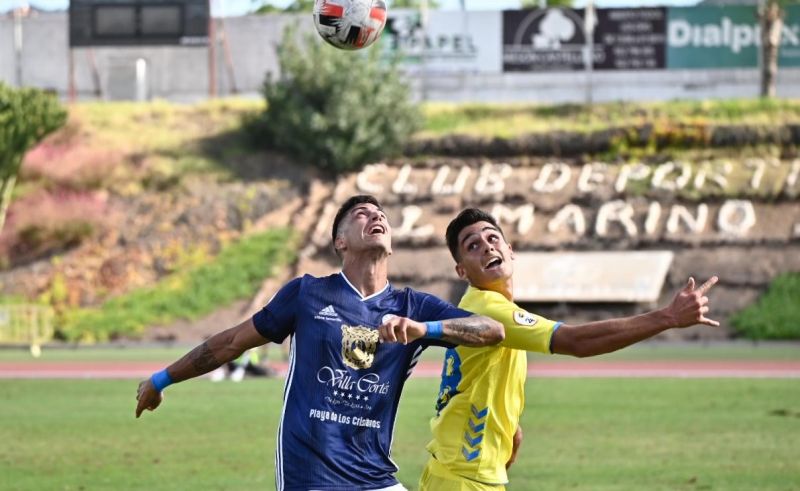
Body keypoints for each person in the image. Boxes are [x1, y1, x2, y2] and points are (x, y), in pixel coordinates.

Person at [135, 195, 504, 491]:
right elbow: (231, 342)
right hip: (310, 476)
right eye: (362, 213)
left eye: (381, 215)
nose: (376, 217)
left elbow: (490, 330)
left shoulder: (412, 307)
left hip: (375, 477)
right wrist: (160, 380)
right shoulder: (307, 293)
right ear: (339, 241)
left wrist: (426, 331)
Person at [419, 208, 720, 491]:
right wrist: (667, 317)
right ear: (462, 271)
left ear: (510, 250)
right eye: (473, 246)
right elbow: (576, 341)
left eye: (492, 237)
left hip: (462, 472)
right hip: (462, 478)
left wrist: (510, 429)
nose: (487, 246)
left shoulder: (487, 307)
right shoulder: (488, 308)